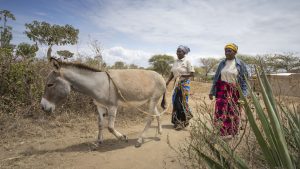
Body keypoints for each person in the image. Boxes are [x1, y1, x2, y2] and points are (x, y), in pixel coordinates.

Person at [209, 43, 248, 137]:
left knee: (233, 111)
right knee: (220, 111)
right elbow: (216, 78)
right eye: (225, 50)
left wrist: (244, 95)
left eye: (229, 50)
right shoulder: (222, 63)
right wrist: (211, 91)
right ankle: (220, 131)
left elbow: (245, 81)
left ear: (235, 52)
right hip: (221, 91)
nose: (226, 52)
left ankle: (232, 131)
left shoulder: (240, 64)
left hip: (234, 91)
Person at [166, 45, 195, 130]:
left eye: (179, 51)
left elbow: (192, 74)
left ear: (184, 53)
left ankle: (182, 122)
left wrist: (182, 75)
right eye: (177, 51)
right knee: (175, 102)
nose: (177, 53)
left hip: (184, 84)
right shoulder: (175, 62)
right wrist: (167, 82)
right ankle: (176, 121)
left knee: (181, 103)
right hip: (176, 84)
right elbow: (172, 73)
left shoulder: (187, 61)